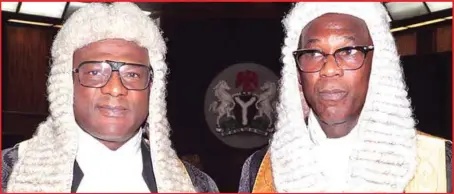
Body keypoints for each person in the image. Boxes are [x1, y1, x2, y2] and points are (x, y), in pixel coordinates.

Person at [2, 2, 218, 192]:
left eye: (132, 74)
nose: (115, 88)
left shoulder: (197, 186)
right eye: (95, 72)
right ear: (67, 84)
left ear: (153, 87)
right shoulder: (8, 173)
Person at [238, 2, 451, 193]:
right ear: (297, 74)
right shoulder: (261, 169)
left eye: (349, 51)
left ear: (377, 66)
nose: (329, 69)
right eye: (313, 53)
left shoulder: (441, 163)